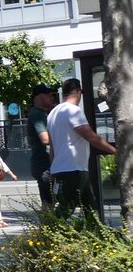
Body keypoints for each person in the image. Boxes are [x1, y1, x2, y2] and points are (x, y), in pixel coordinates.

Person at [47, 77, 116, 220]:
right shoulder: (73, 110)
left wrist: (53, 168)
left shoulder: (53, 113)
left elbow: (52, 147)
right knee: (66, 210)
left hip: (63, 168)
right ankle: (48, 235)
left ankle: (96, 235)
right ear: (78, 92)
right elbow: (90, 136)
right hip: (73, 168)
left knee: (90, 208)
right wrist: (115, 150)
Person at [26, 84, 57, 209]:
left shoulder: (42, 114)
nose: (52, 98)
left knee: (48, 203)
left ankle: (47, 227)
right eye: (48, 95)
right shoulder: (37, 115)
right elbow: (45, 139)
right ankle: (48, 226)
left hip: (43, 164)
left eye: (53, 95)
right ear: (38, 96)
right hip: (44, 165)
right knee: (51, 203)